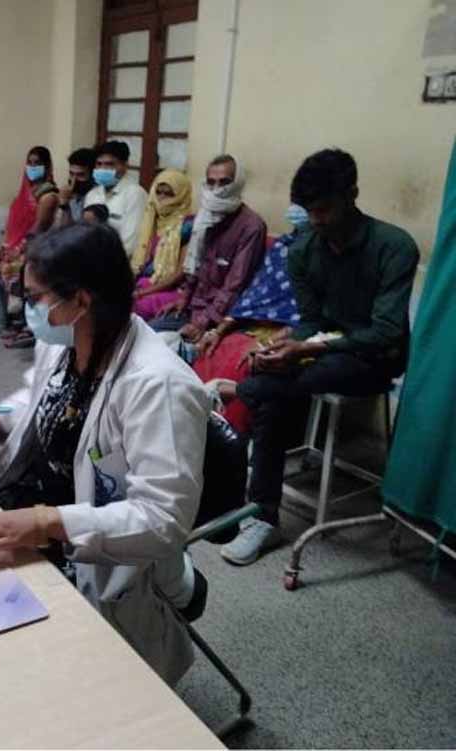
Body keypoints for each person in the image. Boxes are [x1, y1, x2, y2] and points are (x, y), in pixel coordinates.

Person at [0, 223, 210, 686]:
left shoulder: (158, 385)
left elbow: (163, 519)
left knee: (41, 675)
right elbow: (43, 403)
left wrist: (47, 523)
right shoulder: (66, 342)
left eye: (35, 298)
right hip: (37, 519)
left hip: (104, 555)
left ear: (81, 301)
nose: (27, 308)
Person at [221, 149, 419, 566]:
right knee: (272, 386)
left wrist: (309, 348)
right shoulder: (304, 250)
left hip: (377, 357)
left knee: (270, 386)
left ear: (352, 195)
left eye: (324, 209)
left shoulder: (394, 246)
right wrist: (281, 346)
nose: (315, 220)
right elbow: (311, 322)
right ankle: (262, 516)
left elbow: (385, 332)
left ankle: (240, 398)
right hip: (326, 350)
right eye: (309, 211)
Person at [191, 205, 307, 434]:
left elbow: (315, 317)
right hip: (256, 324)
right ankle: (195, 425)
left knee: (242, 363)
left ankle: (228, 436)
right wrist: (217, 331)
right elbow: (253, 297)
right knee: (212, 352)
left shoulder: (325, 259)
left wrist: (271, 342)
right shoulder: (282, 248)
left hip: (294, 332)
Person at [148, 154, 266, 347]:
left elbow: (235, 285)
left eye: (224, 182)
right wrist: (184, 299)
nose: (217, 189)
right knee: (143, 335)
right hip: (193, 308)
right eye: (211, 183)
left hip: (218, 316)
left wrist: (202, 322)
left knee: (162, 349)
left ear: (237, 184)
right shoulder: (204, 217)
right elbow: (195, 267)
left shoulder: (251, 226)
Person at [0, 146, 59, 337]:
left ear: (47, 166)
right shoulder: (25, 190)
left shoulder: (48, 195)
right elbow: (12, 223)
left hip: (34, 247)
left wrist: (18, 250)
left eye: (37, 163)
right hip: (14, 244)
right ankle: (4, 320)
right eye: (29, 163)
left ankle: (26, 323)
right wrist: (2, 246)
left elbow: (39, 228)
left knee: (12, 270)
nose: (32, 167)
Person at [130, 169, 195, 320]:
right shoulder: (152, 219)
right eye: (158, 192)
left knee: (137, 306)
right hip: (150, 281)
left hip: (174, 289)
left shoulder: (187, 226)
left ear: (181, 195)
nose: (162, 198)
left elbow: (179, 274)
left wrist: (142, 292)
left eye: (169, 194)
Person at [84, 140, 147, 256]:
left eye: (109, 164)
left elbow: (130, 242)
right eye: (99, 164)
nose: (102, 169)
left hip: (118, 261)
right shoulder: (92, 194)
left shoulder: (135, 194)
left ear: (125, 165)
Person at [54, 147, 96, 227]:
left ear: (92, 175)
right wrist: (64, 203)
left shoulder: (95, 198)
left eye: (80, 175)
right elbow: (60, 227)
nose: (74, 180)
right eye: (71, 174)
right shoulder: (70, 195)